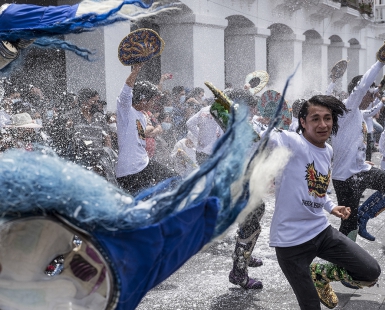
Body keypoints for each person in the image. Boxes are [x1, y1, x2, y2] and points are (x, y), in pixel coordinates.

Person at [268, 95, 380, 310]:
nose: (323, 125)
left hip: (321, 232)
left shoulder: (327, 150)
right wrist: (233, 119)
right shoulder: (293, 141)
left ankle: (320, 273)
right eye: (315, 119)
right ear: (303, 122)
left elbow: (319, 187)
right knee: (311, 307)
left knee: (370, 271)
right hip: (290, 243)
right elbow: (266, 138)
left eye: (327, 118)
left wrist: (331, 206)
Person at [115, 64, 177, 195]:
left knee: (175, 180)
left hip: (143, 164)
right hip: (130, 170)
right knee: (139, 204)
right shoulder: (126, 110)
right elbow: (126, 91)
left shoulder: (142, 115)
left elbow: (139, 132)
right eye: (152, 100)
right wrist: (136, 69)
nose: (154, 104)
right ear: (143, 99)